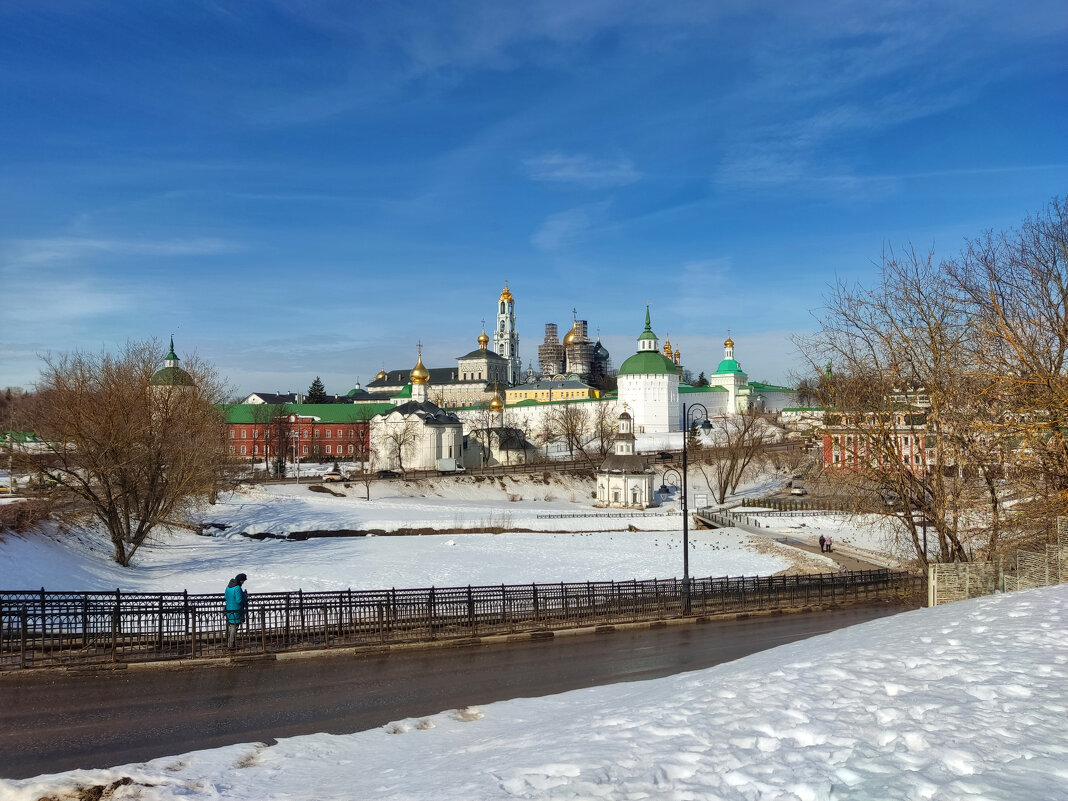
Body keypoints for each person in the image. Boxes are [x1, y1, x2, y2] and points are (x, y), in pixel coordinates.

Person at [225, 573, 249, 649]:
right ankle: (231, 645)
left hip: (229, 609)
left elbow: (226, 597)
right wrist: (245, 596)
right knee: (234, 628)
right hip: (236, 610)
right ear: (240, 581)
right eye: (243, 581)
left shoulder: (228, 587)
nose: (243, 583)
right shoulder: (237, 588)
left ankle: (232, 644)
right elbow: (239, 600)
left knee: (231, 626)